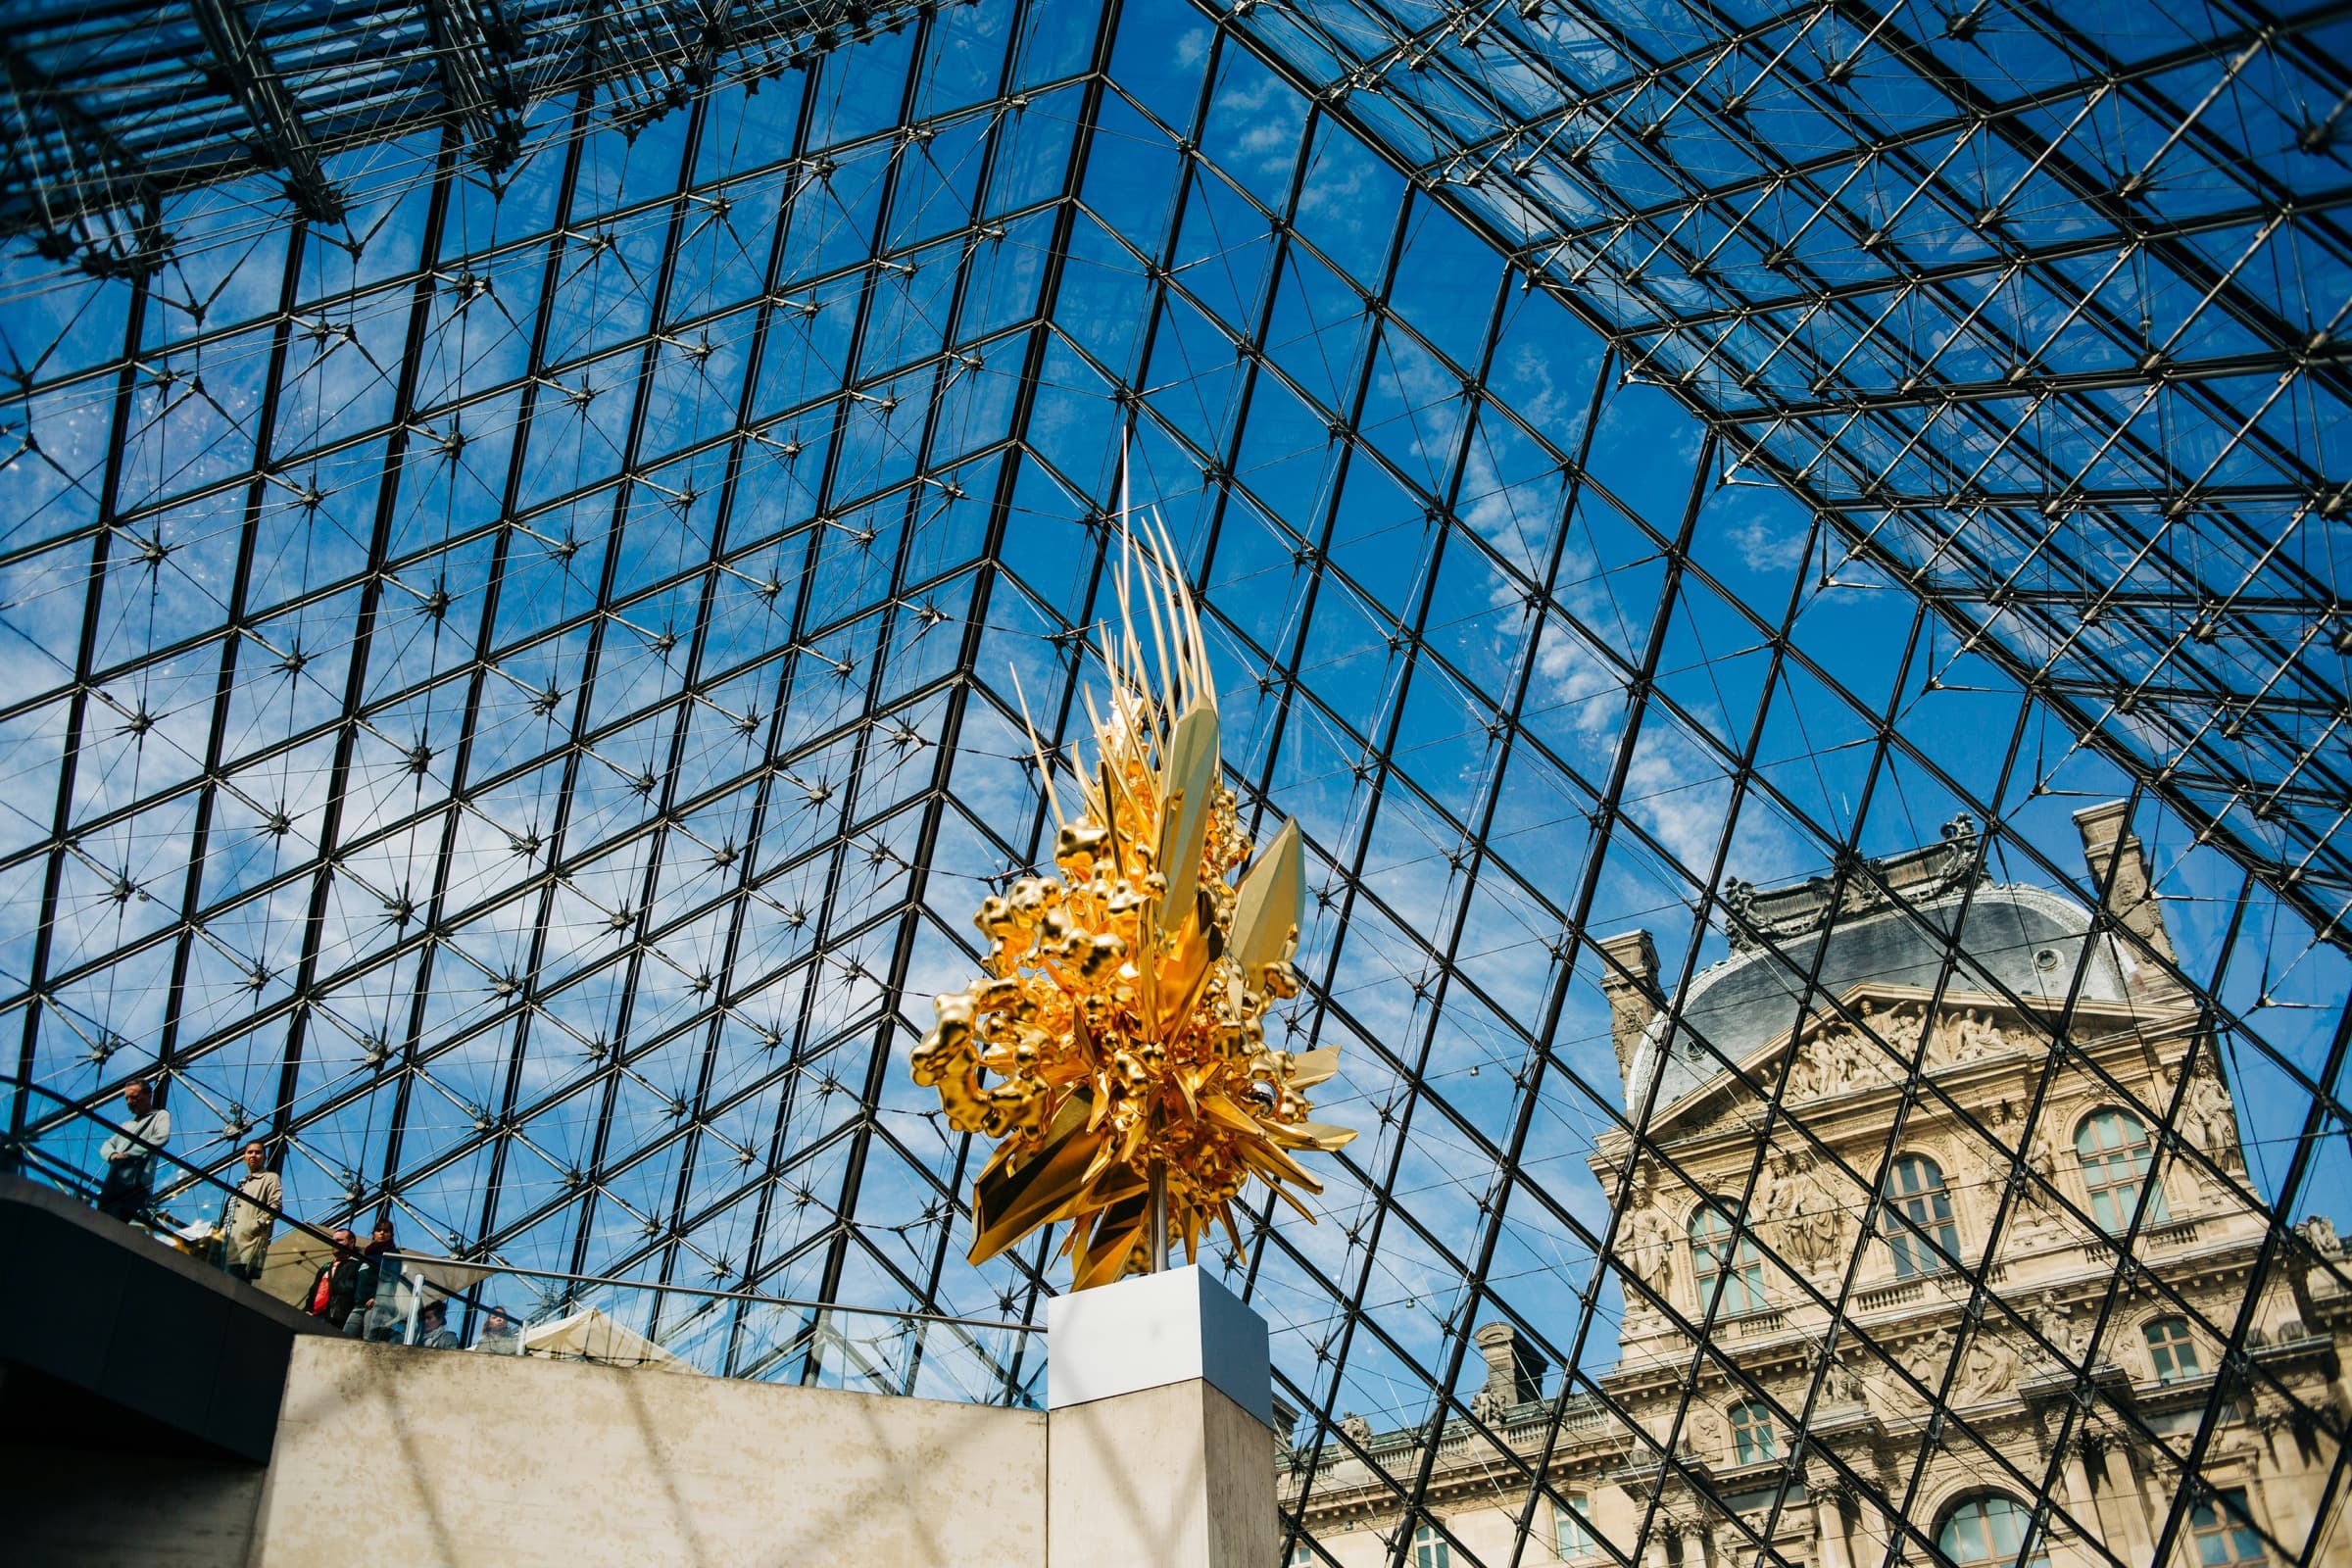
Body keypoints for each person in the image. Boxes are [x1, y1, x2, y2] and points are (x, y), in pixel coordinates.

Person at [96, 1078, 171, 1223]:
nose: (129, 1101)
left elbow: (161, 1138)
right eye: (127, 1098)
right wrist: (112, 1155)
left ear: (149, 1094)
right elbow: (107, 1144)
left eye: (134, 1097)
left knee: (116, 1219)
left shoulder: (160, 1115)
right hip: (115, 1177)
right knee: (102, 1218)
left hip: (137, 1182)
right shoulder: (127, 1125)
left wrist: (128, 1155)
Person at [221, 1140, 281, 1282]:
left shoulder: (270, 1178)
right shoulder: (242, 1182)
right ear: (244, 1158)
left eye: (258, 1152)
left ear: (264, 1158)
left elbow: (275, 1207)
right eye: (250, 1152)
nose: (253, 1155)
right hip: (226, 1242)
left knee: (232, 1285)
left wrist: (255, 1226)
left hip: (246, 1244)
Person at [347, 1217, 400, 1340]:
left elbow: (391, 1279)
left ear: (391, 1235)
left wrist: (378, 1297)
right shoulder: (367, 1254)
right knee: (345, 1337)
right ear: (373, 1233)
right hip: (359, 1303)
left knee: (369, 1338)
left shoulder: (392, 1254)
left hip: (375, 1304)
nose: (382, 1233)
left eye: (386, 1231)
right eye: (379, 1230)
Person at [305, 1228, 362, 1327]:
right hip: (315, 1315)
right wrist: (307, 1310)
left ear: (351, 1242)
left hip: (336, 1319)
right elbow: (313, 1291)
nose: (334, 1243)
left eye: (339, 1240)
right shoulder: (326, 1266)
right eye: (333, 1240)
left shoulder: (357, 1266)